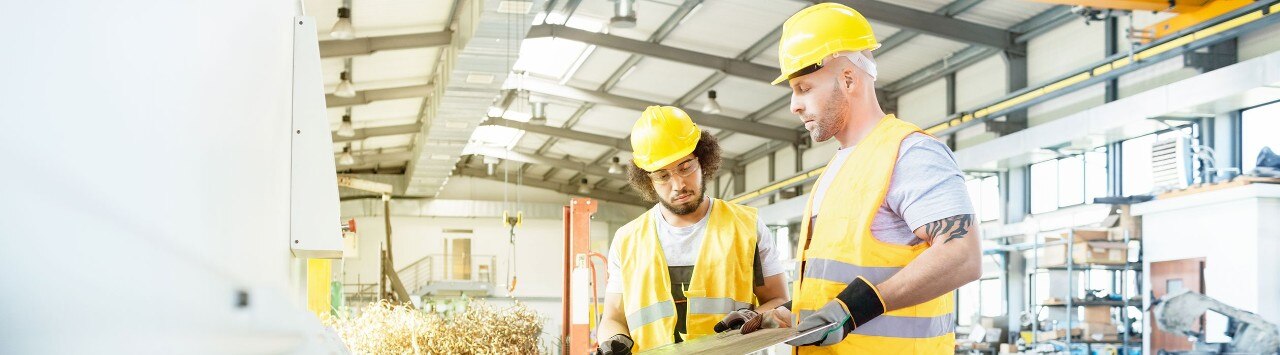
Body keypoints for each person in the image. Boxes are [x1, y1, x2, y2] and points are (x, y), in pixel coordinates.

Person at [751, 3, 983, 354]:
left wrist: (855, 308)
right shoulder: (837, 170)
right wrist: (783, 314)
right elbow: (836, 293)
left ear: (848, 78)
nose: (793, 105)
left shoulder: (909, 153)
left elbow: (963, 255)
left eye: (803, 87)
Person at [592, 106, 790, 354]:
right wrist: (612, 341)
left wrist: (753, 317)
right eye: (663, 176)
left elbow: (780, 300)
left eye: (686, 167)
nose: (678, 184)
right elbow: (613, 317)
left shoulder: (746, 226)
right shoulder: (627, 240)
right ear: (647, 180)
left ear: (703, 160)